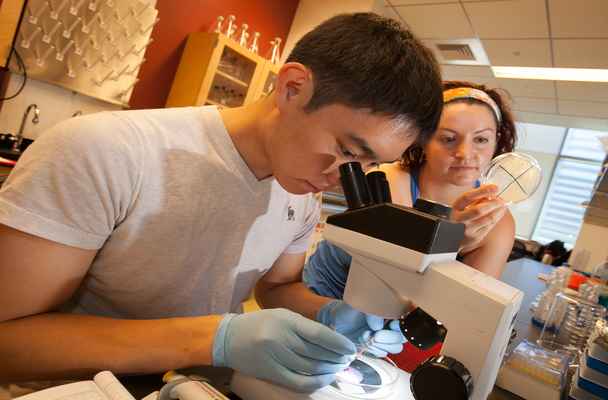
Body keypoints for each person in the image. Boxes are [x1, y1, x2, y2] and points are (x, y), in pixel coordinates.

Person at [0, 12, 443, 397]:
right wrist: (213, 338)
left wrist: (327, 313)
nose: (344, 179)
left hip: (196, 387)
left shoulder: (300, 191)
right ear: (292, 88)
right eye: (348, 151)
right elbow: (8, 340)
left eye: (369, 165)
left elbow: (277, 288)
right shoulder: (106, 152)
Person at [304, 80, 519, 305]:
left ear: (497, 142)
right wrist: (449, 242)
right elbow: (389, 284)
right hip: (321, 296)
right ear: (423, 141)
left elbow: (462, 306)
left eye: (481, 139)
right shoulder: (386, 182)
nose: (465, 153)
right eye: (448, 139)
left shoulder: (498, 222)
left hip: (395, 321)